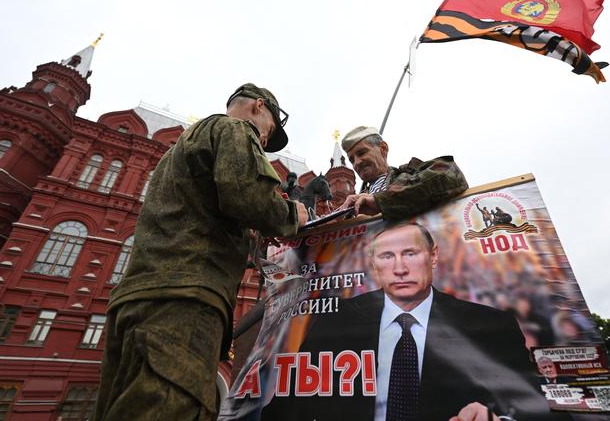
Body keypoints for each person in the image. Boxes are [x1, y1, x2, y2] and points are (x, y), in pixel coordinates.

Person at [93, 83, 308, 421]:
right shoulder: (235, 128)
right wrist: (293, 215)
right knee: (173, 407)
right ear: (258, 107)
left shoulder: (182, 147)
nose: (265, 142)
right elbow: (246, 195)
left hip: (137, 299)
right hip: (185, 298)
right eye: (270, 131)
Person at [262, 223, 565, 421]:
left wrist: (499, 419)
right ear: (374, 266)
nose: (400, 268)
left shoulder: (490, 325)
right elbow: (284, 409)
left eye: (410, 253)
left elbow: (540, 407)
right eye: (387, 257)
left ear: (433, 256)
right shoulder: (337, 320)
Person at [338, 126, 468, 220]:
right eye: (351, 159)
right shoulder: (352, 204)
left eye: (362, 153)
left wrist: (380, 201)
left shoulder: (409, 172)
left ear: (383, 149)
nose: (357, 163)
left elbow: (448, 173)